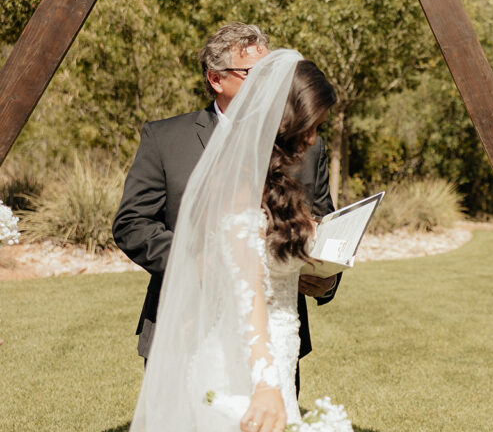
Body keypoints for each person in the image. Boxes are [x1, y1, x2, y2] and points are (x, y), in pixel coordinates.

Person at [117, 51, 338, 432]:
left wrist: (319, 269)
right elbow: (249, 294)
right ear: (288, 121)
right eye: (313, 125)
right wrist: (264, 385)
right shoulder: (236, 185)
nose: (316, 138)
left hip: (277, 350)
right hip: (242, 354)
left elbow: (280, 254)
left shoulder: (273, 175)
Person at [113, 23, 337, 386]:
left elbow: (324, 223)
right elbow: (132, 224)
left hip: (276, 336)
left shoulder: (306, 146)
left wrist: (326, 279)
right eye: (254, 74)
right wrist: (198, 260)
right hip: (186, 327)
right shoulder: (166, 139)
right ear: (217, 79)